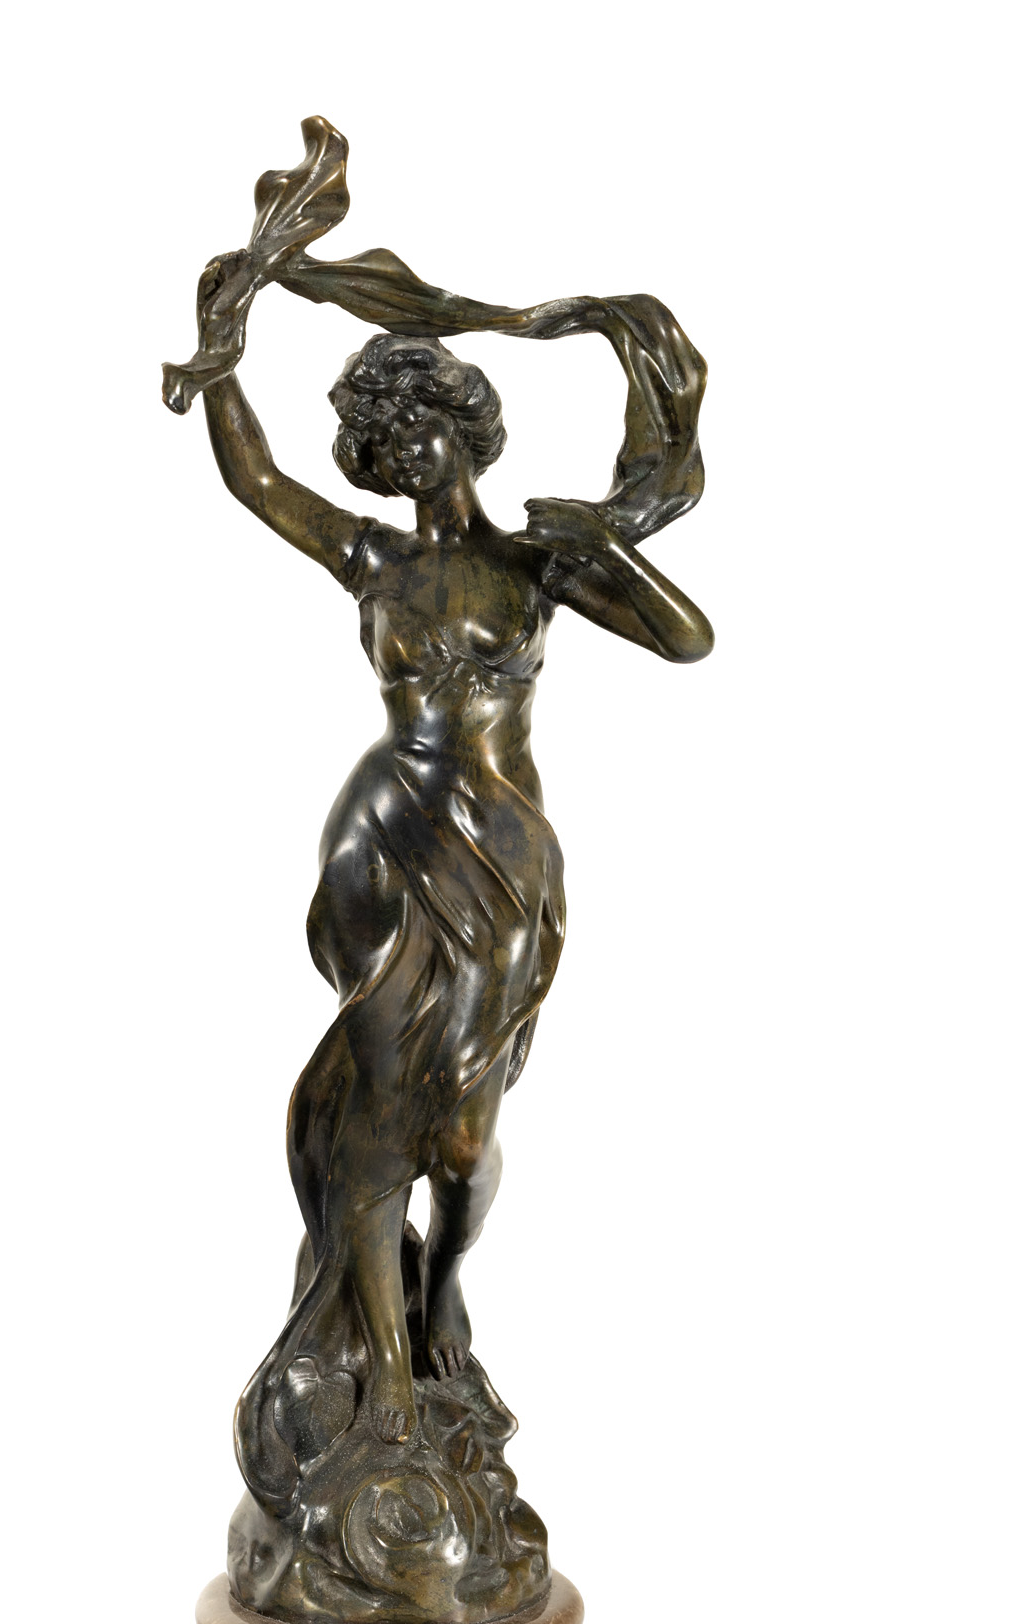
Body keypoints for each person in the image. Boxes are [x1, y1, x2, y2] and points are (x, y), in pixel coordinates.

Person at [202, 315, 713, 1474]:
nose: (410, 453)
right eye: (390, 440)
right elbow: (257, 480)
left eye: (424, 427)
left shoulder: (533, 565)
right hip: (388, 838)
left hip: (501, 858)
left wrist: (602, 542)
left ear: (465, 426)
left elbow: (686, 637)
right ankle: (386, 1372)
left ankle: (439, 1280)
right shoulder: (374, 561)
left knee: (467, 1135)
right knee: (382, 1106)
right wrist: (221, 347)